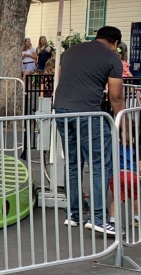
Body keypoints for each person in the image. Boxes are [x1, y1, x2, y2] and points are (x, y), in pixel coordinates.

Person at [52, 25, 124, 235]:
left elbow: (65, 79)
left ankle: (73, 214)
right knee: (99, 164)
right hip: (88, 112)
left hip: (61, 109)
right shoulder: (112, 58)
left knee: (72, 163)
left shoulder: (71, 51)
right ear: (115, 43)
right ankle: (98, 217)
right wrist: (123, 125)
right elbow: (116, 97)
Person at [108, 120, 141, 228]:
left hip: (117, 175)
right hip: (132, 176)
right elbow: (140, 162)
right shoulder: (136, 148)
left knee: (117, 199)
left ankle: (113, 220)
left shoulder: (114, 146)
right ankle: (136, 218)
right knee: (135, 197)